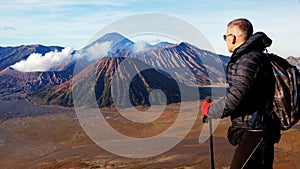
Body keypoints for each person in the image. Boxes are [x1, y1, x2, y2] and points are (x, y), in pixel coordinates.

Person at [201, 18, 281, 169]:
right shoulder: (250, 57)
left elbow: (237, 96)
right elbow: (244, 93)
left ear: (232, 38)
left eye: (225, 37)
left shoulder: (248, 60)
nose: (225, 40)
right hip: (257, 128)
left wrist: (211, 110)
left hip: (256, 130)